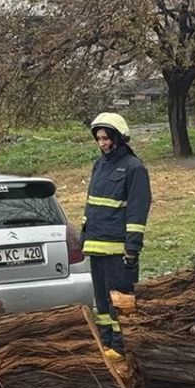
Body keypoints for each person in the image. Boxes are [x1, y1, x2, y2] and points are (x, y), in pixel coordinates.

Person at [80, 113, 151, 361]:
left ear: (118, 138)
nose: (102, 143)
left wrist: (132, 249)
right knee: (101, 304)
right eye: (99, 138)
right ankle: (107, 343)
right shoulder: (99, 166)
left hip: (119, 251)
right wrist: (84, 239)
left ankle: (123, 347)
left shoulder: (134, 168)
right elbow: (93, 206)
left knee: (119, 302)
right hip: (97, 247)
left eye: (106, 138)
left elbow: (137, 211)